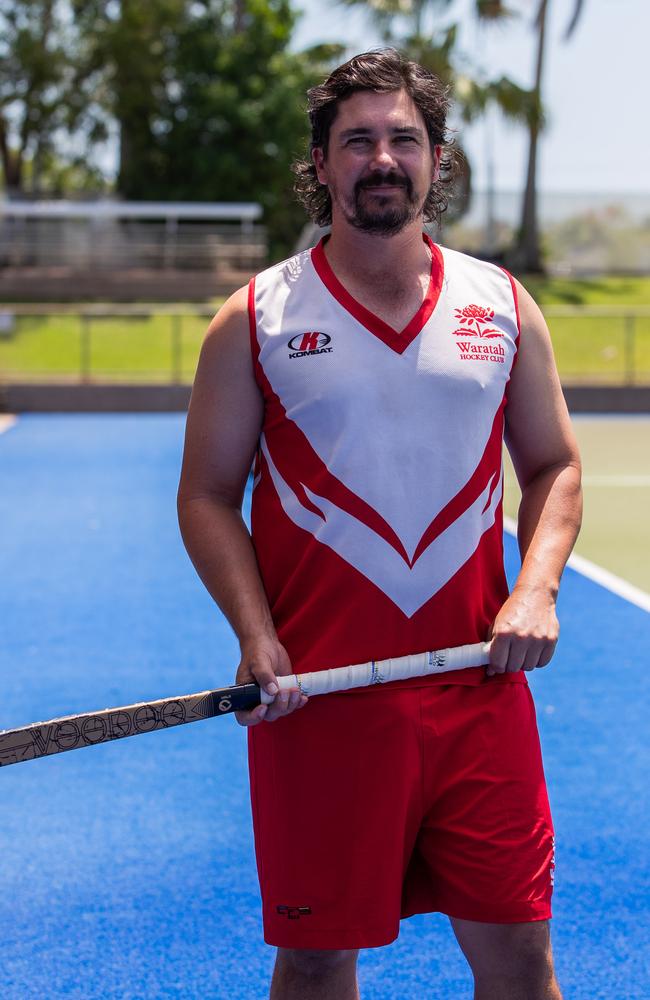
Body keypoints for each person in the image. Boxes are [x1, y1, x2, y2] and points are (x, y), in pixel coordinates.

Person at [177, 48, 582, 1000]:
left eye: (405, 138)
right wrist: (256, 636)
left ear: (437, 160)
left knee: (521, 958)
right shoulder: (254, 319)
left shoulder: (503, 307)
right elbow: (205, 494)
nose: (383, 158)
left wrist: (536, 588)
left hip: (480, 691)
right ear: (321, 163)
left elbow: (554, 464)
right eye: (357, 140)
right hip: (318, 705)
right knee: (318, 964)